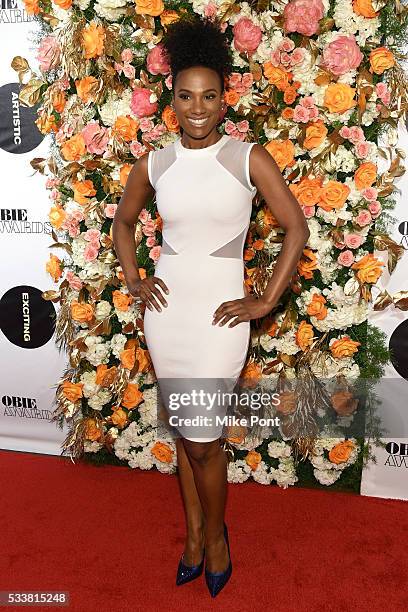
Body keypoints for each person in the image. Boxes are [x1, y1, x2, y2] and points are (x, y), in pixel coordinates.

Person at [112, 15, 310, 598]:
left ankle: (218, 537)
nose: (197, 109)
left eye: (209, 97)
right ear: (170, 100)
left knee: (203, 439)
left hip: (220, 319)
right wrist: (135, 278)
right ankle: (194, 537)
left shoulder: (247, 158)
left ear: (225, 99)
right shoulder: (155, 163)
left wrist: (266, 299)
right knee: (184, 436)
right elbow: (123, 224)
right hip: (168, 315)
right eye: (185, 97)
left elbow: (295, 228)